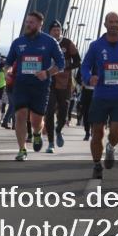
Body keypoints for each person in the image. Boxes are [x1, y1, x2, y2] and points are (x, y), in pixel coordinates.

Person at [81, 12, 118, 179]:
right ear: (105, 24)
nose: (114, 24)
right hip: (100, 95)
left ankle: (111, 147)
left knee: (115, 132)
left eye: (117, 22)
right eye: (111, 22)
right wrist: (88, 77)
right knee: (97, 132)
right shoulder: (96, 46)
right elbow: (85, 66)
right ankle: (96, 165)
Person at [3, 11, 64, 161]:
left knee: (36, 121)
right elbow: (8, 63)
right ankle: (22, 149)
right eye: (27, 22)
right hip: (21, 85)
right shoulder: (18, 42)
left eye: (31, 22)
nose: (28, 25)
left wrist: (47, 73)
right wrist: (8, 71)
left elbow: (61, 64)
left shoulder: (50, 42)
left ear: (39, 24)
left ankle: (37, 133)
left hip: (40, 87)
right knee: (20, 116)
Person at [44, 20, 80, 152]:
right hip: (49, 82)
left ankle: (58, 130)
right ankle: (51, 143)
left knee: (63, 113)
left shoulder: (68, 43)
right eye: (54, 30)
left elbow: (78, 61)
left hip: (64, 84)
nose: (56, 32)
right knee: (49, 112)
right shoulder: (45, 43)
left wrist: (65, 68)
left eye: (58, 30)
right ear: (49, 32)